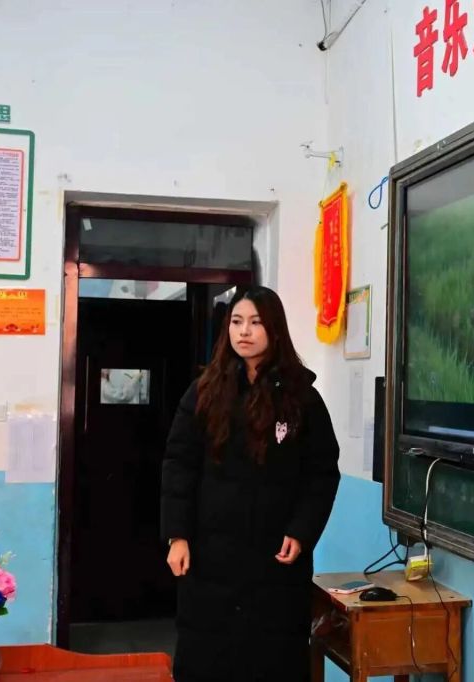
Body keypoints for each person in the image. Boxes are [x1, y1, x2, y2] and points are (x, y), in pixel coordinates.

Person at [160, 285, 340, 682]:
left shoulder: (301, 398)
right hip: (210, 558)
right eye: (237, 322)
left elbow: (322, 473)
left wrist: (302, 531)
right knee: (207, 660)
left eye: (256, 323)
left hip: (275, 561)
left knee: (272, 660)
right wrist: (177, 535)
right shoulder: (204, 391)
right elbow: (179, 465)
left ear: (274, 330)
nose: (244, 331)